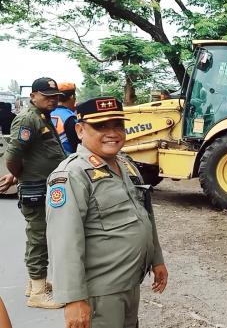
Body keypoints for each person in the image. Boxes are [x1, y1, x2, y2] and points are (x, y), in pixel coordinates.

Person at [46, 96, 168, 328]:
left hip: (129, 283)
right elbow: (64, 241)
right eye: (101, 126)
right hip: (100, 292)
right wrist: (73, 298)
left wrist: (156, 260)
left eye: (118, 125)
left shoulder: (126, 165)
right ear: (80, 130)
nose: (112, 133)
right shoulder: (72, 175)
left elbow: (145, 216)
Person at [4, 77, 65, 309]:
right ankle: (38, 294)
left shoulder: (41, 117)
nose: (52, 100)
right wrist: (19, 175)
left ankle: (34, 284)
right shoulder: (28, 119)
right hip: (36, 188)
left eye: (55, 96)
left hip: (44, 186)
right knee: (39, 238)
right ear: (33, 96)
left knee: (40, 236)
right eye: (47, 96)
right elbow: (12, 157)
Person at [50, 82, 79, 154]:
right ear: (72, 97)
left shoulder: (46, 113)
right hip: (67, 160)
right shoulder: (70, 117)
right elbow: (77, 146)